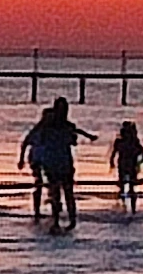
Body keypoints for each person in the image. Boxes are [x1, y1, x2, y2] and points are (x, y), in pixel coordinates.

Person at [24, 97, 93, 234]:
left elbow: (72, 141)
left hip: (61, 162)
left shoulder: (56, 126)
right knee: (61, 193)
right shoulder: (56, 126)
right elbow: (72, 141)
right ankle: (60, 221)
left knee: (64, 193)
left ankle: (67, 221)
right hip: (56, 162)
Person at [108, 120, 143, 214]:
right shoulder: (122, 142)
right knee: (124, 186)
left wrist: (138, 163)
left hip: (130, 165)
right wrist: (112, 162)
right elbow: (114, 154)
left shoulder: (133, 143)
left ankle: (130, 208)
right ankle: (125, 206)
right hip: (124, 165)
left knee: (130, 186)